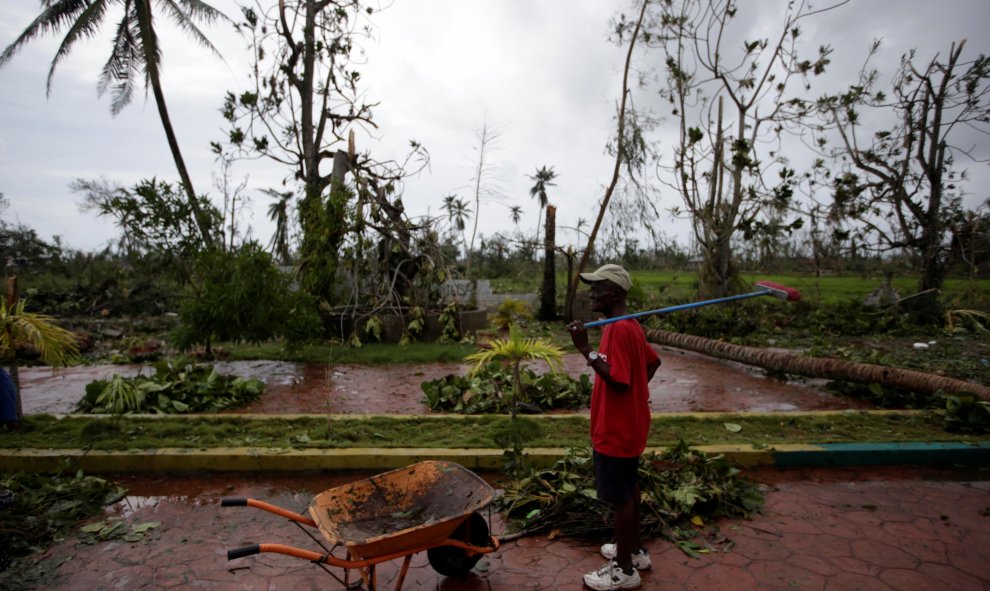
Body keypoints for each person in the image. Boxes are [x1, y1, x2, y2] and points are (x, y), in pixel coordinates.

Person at [567, 264, 661, 590]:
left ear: (617, 293)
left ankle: (624, 572)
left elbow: (618, 381)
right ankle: (633, 551)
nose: (591, 293)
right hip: (631, 424)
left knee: (620, 497)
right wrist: (638, 394)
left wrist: (585, 349)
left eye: (598, 287)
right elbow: (652, 362)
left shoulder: (619, 330)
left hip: (616, 429)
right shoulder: (628, 326)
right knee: (630, 487)